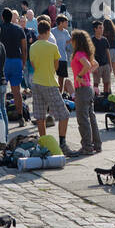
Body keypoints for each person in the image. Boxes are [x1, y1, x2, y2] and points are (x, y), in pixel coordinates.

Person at [29, 18, 72, 153]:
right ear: (48, 32)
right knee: (64, 114)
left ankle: (44, 144)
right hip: (49, 82)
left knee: (40, 116)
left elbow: (34, 65)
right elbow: (56, 66)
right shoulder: (53, 47)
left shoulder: (33, 46)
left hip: (36, 82)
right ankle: (62, 143)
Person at [70, 29, 102, 157]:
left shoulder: (78, 54)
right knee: (91, 118)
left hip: (82, 89)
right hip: (88, 88)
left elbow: (88, 65)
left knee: (83, 119)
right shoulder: (86, 53)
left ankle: (87, 146)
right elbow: (95, 64)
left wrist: (80, 75)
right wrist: (86, 73)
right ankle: (97, 144)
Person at [0, 7, 27, 125]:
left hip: (4, 62)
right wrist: (23, 63)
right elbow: (24, 48)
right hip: (16, 61)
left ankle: (2, 117)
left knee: (2, 92)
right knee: (17, 91)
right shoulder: (19, 29)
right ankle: (21, 117)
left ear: (2, 17)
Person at [52, 13, 74, 98]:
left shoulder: (65, 32)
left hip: (63, 58)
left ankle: (59, 95)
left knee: (61, 79)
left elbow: (68, 41)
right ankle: (53, 95)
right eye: (66, 22)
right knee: (52, 78)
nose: (67, 24)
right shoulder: (52, 31)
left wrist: (71, 40)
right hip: (53, 58)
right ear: (61, 23)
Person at [90, 21, 113, 95]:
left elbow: (107, 53)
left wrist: (110, 65)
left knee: (106, 82)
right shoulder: (92, 40)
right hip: (97, 66)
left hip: (106, 65)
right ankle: (95, 97)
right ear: (95, 29)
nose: (102, 29)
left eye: (102, 28)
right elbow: (91, 54)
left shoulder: (104, 39)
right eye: (100, 28)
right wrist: (94, 66)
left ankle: (105, 98)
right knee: (96, 83)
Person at [103, 14, 115, 89]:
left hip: (108, 53)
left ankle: (109, 89)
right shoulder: (114, 33)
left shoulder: (104, 33)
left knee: (108, 74)